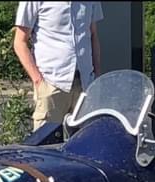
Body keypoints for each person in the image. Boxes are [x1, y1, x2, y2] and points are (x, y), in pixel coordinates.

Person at [13, 2, 103, 131]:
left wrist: (97, 76)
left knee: (84, 144)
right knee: (46, 143)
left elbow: (93, 34)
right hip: (52, 83)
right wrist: (39, 81)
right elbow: (19, 42)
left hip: (85, 84)